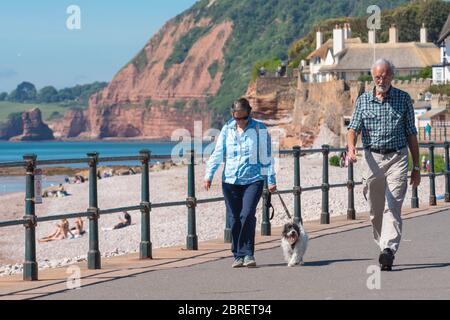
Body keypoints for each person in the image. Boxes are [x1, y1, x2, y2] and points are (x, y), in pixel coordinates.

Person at [347, 58, 420, 271]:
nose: (382, 80)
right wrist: (351, 148)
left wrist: (416, 167)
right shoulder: (363, 101)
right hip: (372, 159)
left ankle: (388, 250)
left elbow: (411, 134)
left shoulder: (403, 99)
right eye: (378, 76)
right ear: (373, 77)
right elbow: (353, 128)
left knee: (393, 205)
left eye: (385, 75)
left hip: (397, 157)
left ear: (392, 76)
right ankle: (383, 244)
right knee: (375, 209)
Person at [204, 98, 277, 268]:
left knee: (247, 215)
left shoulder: (260, 129)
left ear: (249, 114)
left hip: (253, 180)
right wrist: (209, 175)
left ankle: (248, 254)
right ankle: (237, 254)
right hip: (230, 181)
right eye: (237, 118)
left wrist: (271, 180)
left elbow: (267, 156)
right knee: (234, 218)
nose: (240, 121)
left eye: (243, 117)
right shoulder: (227, 129)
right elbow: (218, 153)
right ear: (233, 115)